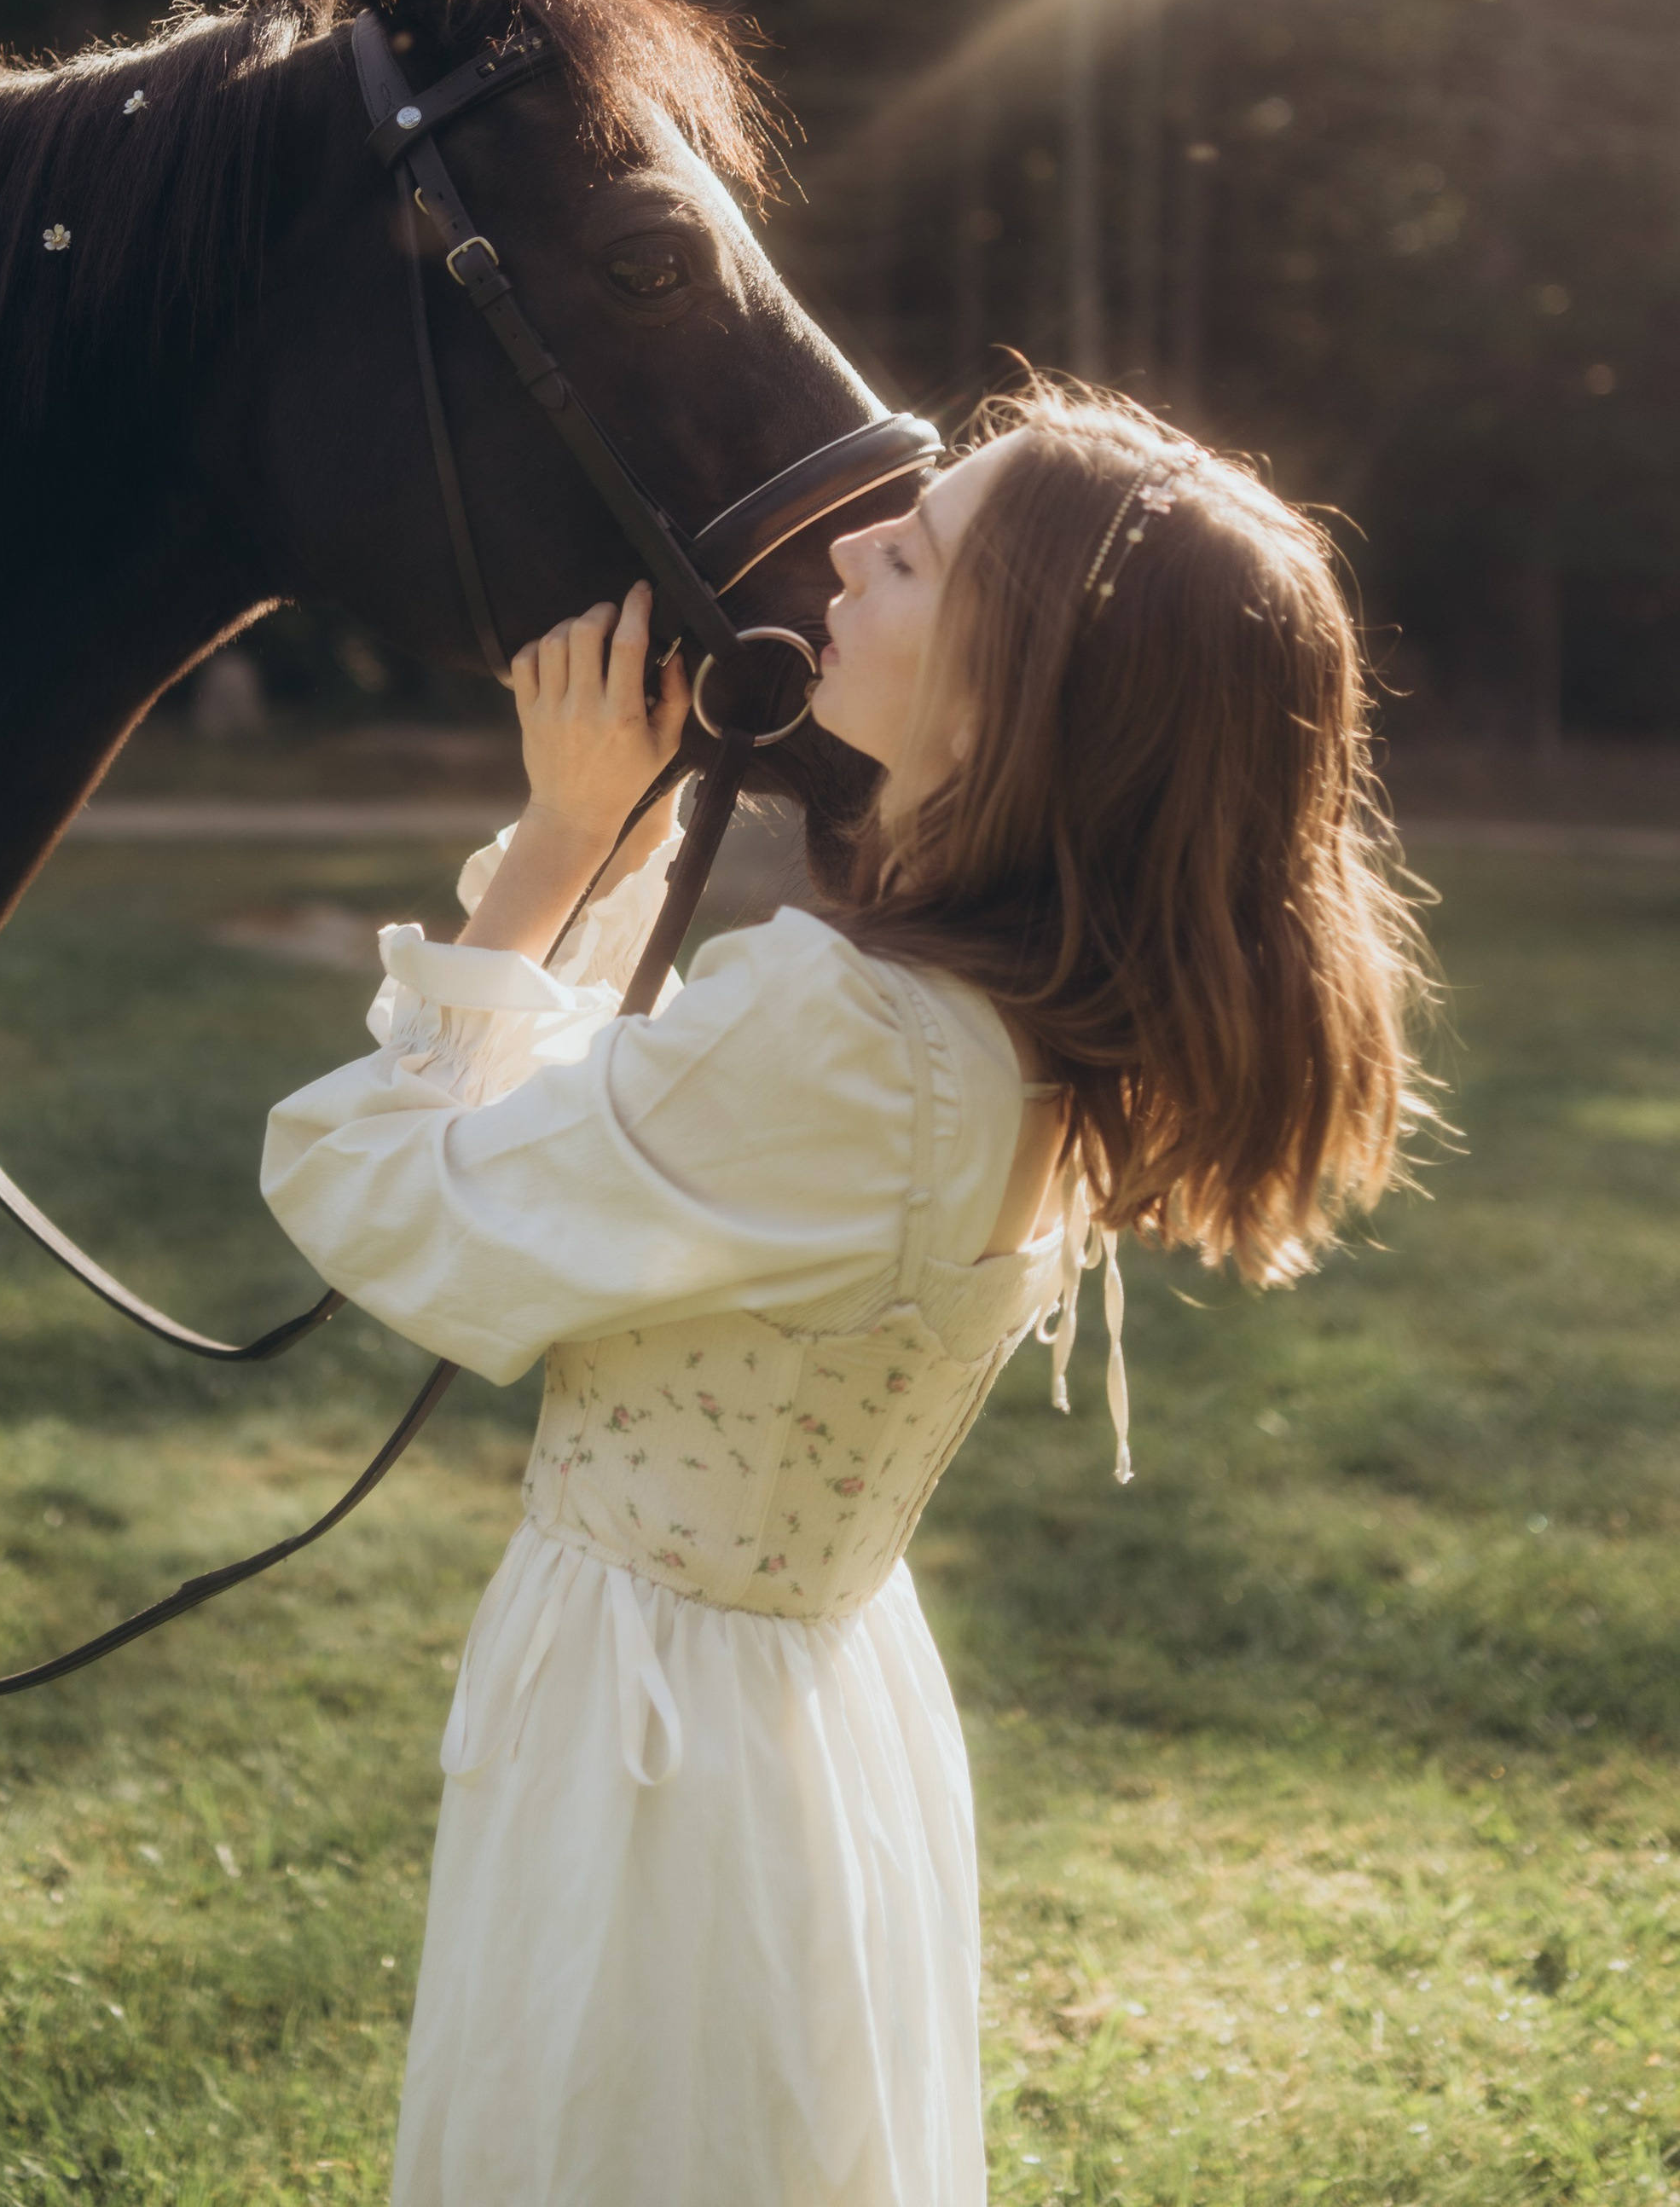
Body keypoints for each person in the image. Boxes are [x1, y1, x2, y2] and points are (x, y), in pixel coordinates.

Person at [262, 381, 1428, 2207]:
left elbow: (384, 1187)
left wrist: (561, 847)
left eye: (911, 553)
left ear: (1001, 684)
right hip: (801, 1707)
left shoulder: (844, 1032)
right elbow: (624, 1140)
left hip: (656, 1745)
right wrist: (625, 838)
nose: (845, 554)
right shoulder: (1001, 1018)